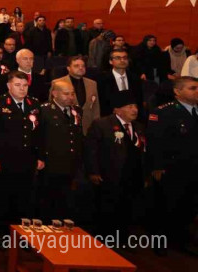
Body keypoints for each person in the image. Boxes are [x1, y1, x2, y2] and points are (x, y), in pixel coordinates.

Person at [146, 77, 198, 255]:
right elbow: (155, 142)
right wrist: (157, 166)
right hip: (172, 167)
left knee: (188, 205)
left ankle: (180, 240)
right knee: (165, 206)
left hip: (193, 167)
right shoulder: (164, 112)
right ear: (177, 92)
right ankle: (159, 242)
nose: (196, 91)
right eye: (192, 88)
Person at [0, 71, 42, 236]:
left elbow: (38, 133)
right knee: (2, 199)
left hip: (27, 160)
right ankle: (0, 235)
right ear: (9, 86)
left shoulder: (34, 104)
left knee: (24, 200)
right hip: (4, 160)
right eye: (18, 85)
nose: (22, 89)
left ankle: (20, 236)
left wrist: (40, 156)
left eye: (25, 85)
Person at [85, 90, 144, 239]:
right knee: (107, 207)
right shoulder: (102, 124)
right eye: (130, 106)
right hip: (109, 174)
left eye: (135, 106)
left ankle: (122, 237)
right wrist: (93, 171)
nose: (134, 110)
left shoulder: (138, 126)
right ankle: (104, 238)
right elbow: (91, 150)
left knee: (127, 207)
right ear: (117, 109)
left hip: (132, 174)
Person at [36, 80, 83, 222]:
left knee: (67, 203)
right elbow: (38, 136)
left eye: (73, 93)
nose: (71, 97)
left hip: (70, 164)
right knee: (48, 202)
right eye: (66, 93)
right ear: (54, 93)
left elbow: (77, 136)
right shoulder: (43, 110)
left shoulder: (76, 110)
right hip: (51, 164)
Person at [99, 48, 144, 118]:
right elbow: (102, 102)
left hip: (132, 118)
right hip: (110, 118)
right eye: (118, 58)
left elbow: (139, 101)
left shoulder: (135, 78)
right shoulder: (102, 79)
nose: (122, 60)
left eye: (125, 58)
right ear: (110, 61)